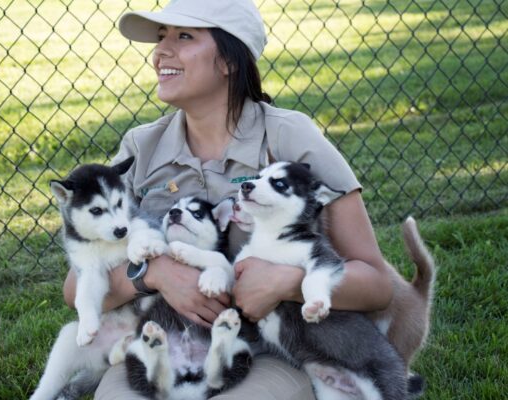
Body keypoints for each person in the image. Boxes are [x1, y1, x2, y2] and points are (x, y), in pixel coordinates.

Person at [63, 0, 393, 399]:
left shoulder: (289, 138)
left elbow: (376, 284)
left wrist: (289, 282)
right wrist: (154, 274)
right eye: (161, 37)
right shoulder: (141, 148)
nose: (161, 51)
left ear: (229, 61)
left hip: (274, 347)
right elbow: (76, 287)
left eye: (184, 36)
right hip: (167, 344)